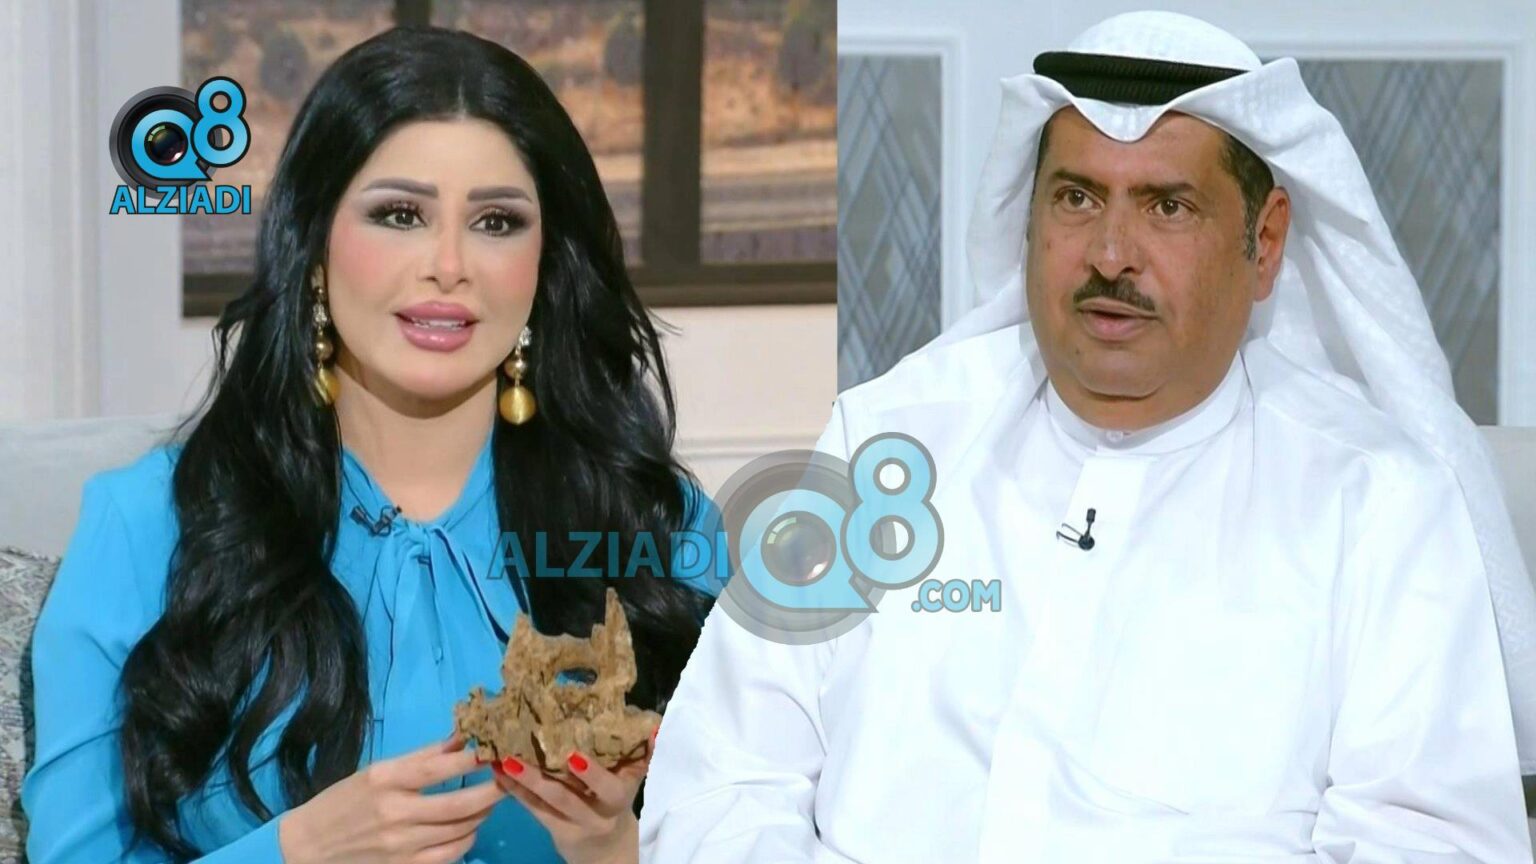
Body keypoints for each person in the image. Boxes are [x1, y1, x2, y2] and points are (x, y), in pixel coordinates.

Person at [640, 11, 1536, 863]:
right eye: (1076, 198)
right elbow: (721, 781)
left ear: (1264, 244)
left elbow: (1434, 842)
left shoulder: (1379, 502)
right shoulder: (890, 435)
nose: (1111, 254)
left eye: (1167, 207)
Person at [22, 26, 721, 864]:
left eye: (497, 221)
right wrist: (298, 851)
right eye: (400, 214)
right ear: (313, 245)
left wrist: (612, 844)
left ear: (544, 266)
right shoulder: (144, 526)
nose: (449, 264)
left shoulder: (660, 528)